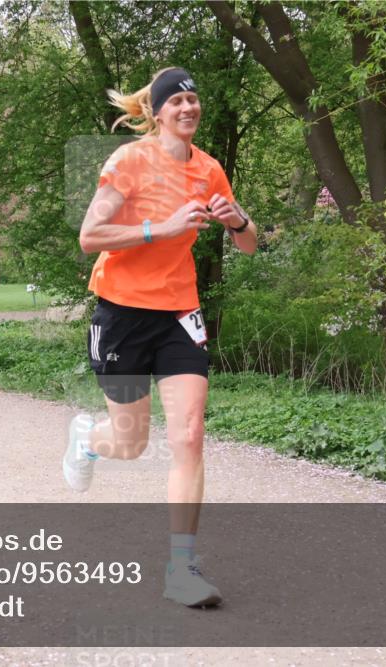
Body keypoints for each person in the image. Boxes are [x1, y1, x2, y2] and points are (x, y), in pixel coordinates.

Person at [64, 68, 261, 608]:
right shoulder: (128, 161)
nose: (188, 107)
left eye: (194, 99)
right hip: (123, 312)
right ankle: (88, 438)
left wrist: (237, 220)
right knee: (131, 443)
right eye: (176, 100)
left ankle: (182, 568)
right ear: (155, 113)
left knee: (190, 435)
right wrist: (162, 228)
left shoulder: (209, 169)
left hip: (179, 312)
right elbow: (90, 236)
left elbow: (249, 246)